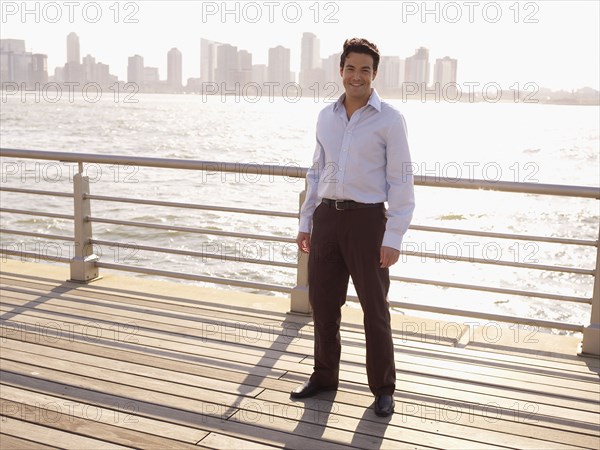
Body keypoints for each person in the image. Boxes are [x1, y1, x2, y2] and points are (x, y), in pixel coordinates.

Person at [291, 38, 415, 417]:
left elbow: (401, 181)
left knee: (375, 309)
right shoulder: (326, 116)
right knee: (324, 305)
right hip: (327, 218)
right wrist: (306, 221)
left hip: (367, 223)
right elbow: (316, 171)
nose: (356, 76)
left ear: (374, 75)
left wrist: (393, 235)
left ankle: (383, 388)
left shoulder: (390, 120)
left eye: (365, 70)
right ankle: (325, 375)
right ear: (340, 71)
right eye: (350, 68)